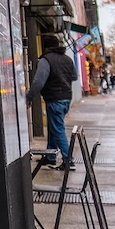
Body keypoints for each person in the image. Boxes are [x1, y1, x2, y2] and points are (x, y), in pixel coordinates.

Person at [26, 34, 76, 169]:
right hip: (66, 98)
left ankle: (68, 159)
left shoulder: (45, 60)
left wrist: (29, 96)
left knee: (58, 129)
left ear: (45, 46)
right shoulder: (67, 59)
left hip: (54, 99)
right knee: (54, 126)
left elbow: (38, 82)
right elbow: (74, 76)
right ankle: (50, 157)